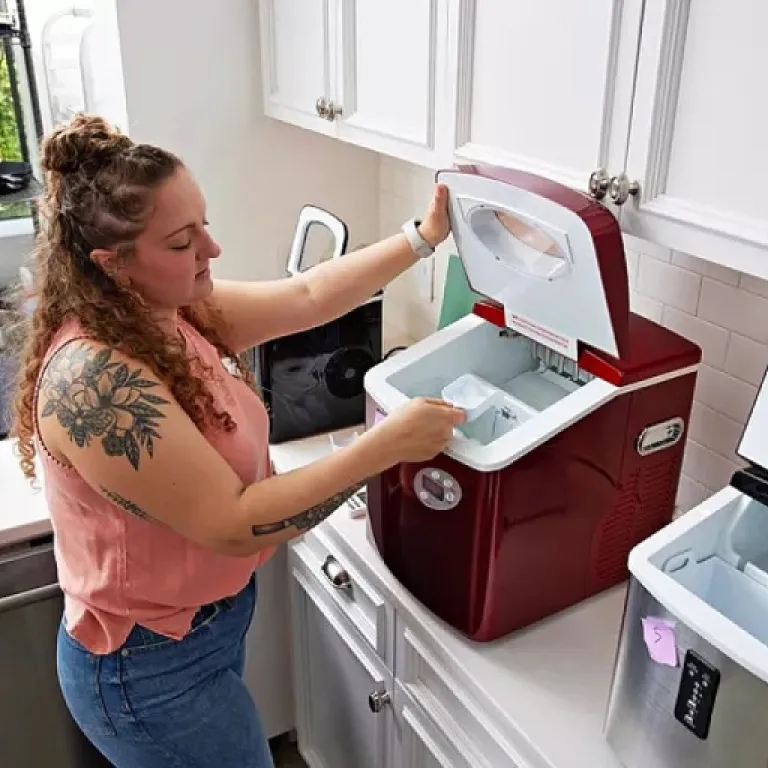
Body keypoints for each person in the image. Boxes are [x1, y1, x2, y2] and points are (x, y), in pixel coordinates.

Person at [11, 114, 465, 768]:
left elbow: (308, 294)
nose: (211, 250)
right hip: (146, 670)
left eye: (204, 224)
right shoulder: (94, 381)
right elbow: (231, 523)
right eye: (181, 241)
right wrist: (384, 446)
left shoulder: (167, 311)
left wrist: (423, 238)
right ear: (112, 265)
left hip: (198, 629)